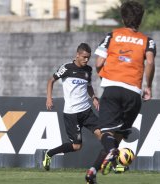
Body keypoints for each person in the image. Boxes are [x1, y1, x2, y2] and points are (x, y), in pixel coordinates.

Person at [85, 1, 156, 184]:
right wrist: (148, 86)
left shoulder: (112, 36)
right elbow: (150, 62)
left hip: (112, 89)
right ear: (140, 19)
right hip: (133, 92)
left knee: (107, 134)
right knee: (115, 138)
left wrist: (104, 77)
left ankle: (109, 154)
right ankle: (93, 171)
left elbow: (99, 63)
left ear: (123, 18)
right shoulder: (148, 41)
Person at [42, 43, 100, 171]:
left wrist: (94, 97)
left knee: (103, 134)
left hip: (86, 110)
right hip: (72, 114)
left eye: (88, 57)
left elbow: (88, 86)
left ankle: (114, 163)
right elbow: (51, 81)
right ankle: (49, 153)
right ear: (77, 55)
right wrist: (49, 98)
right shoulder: (66, 68)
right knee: (76, 146)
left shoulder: (88, 70)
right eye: (84, 57)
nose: (86, 60)